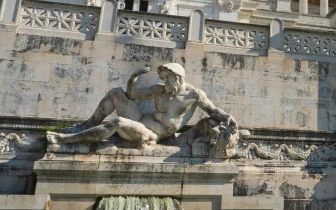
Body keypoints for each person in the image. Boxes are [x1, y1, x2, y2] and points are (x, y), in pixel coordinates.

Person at [47, 63, 236, 148]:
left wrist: (227, 117)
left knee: (118, 122)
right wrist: (133, 78)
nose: (164, 82)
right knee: (115, 93)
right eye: (163, 78)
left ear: (178, 78)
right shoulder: (160, 89)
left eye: (167, 78)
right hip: (139, 120)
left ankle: (66, 140)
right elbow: (132, 95)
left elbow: (212, 111)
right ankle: (86, 125)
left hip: (152, 134)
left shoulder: (194, 95)